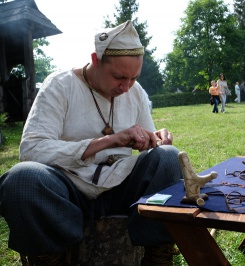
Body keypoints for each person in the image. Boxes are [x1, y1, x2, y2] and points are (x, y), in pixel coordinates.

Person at [0, 21, 183, 265]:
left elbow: (149, 143)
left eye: (133, 78)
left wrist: (155, 138)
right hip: (68, 190)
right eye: (119, 77)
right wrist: (108, 141)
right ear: (95, 60)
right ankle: (50, 257)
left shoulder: (134, 91)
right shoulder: (60, 85)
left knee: (168, 157)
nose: (126, 87)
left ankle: (157, 255)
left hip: (121, 190)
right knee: (22, 178)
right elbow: (32, 149)